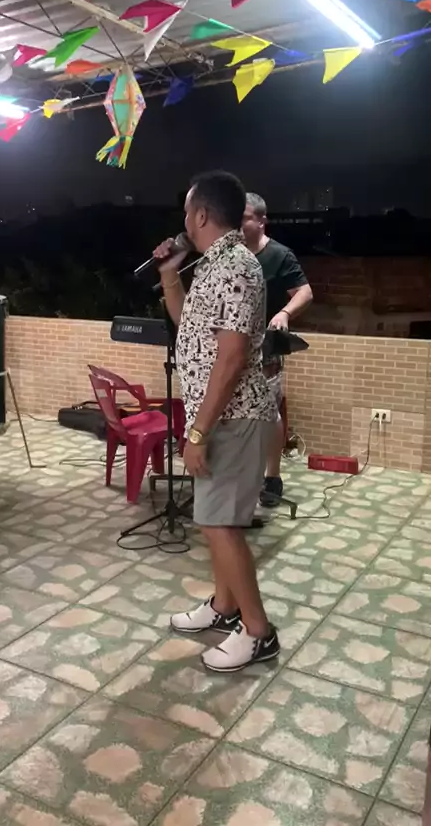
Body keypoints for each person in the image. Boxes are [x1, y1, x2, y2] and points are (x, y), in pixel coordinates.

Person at [153, 171, 280, 673]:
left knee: (219, 523)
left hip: (234, 417)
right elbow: (188, 324)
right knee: (213, 519)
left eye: (187, 211)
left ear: (202, 214)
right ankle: (224, 607)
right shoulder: (213, 264)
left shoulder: (237, 267)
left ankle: (258, 631)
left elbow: (231, 358)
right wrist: (170, 272)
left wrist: (199, 432)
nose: (184, 219)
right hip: (217, 416)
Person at [242, 193, 313, 507]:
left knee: (269, 414)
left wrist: (284, 313)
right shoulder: (228, 254)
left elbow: (305, 292)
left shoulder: (279, 255)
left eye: (244, 218)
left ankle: (272, 476)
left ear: (261, 220)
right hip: (229, 347)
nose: (237, 224)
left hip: (265, 350)